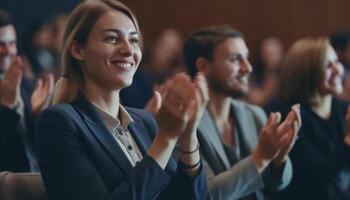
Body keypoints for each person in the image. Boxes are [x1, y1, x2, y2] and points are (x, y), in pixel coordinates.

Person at [34, 0, 208, 199]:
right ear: (77, 50)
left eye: (133, 40)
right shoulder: (58, 122)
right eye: (112, 39)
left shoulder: (145, 121)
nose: (128, 50)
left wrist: (188, 136)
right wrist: (166, 139)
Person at [183, 25, 301, 200]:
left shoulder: (254, 114)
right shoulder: (182, 123)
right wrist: (260, 158)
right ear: (203, 66)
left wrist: (279, 159)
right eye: (235, 59)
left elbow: (278, 184)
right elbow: (203, 194)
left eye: (247, 58)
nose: (248, 68)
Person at [270, 37, 350, 200]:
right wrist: (348, 141)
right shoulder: (288, 116)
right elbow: (316, 178)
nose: (338, 69)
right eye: (328, 65)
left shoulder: (343, 108)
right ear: (306, 74)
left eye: (336, 61)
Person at [0, 10, 53, 172]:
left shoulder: (26, 83)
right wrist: (7, 107)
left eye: (12, 43)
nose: (8, 51)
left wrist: (39, 115)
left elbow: (37, 143)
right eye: (1, 44)